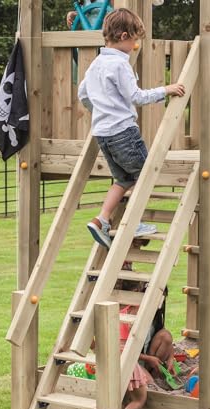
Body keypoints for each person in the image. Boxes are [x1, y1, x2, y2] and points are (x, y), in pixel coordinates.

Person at [78, 8, 185, 248]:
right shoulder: (120, 65)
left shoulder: (96, 64)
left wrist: (100, 110)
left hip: (103, 134)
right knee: (145, 175)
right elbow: (136, 96)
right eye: (135, 39)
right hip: (123, 133)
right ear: (125, 35)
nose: (135, 44)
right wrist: (165, 90)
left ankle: (101, 220)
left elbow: (83, 94)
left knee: (123, 178)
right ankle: (132, 223)